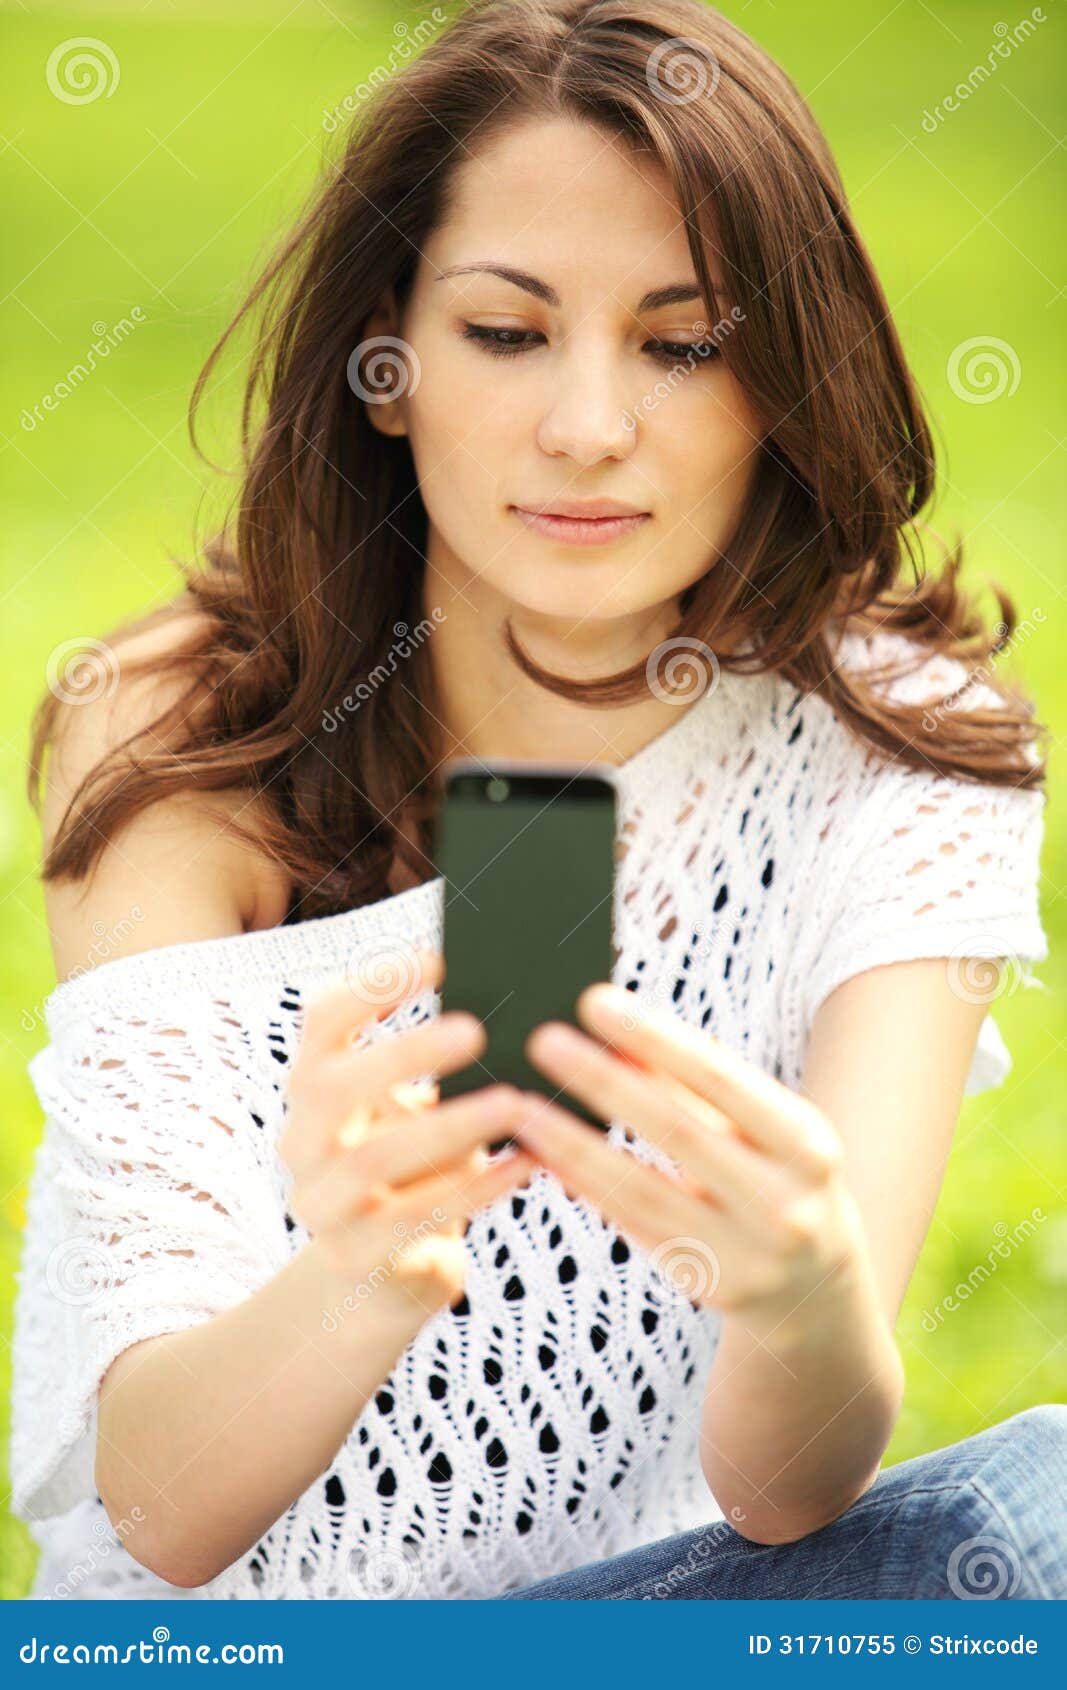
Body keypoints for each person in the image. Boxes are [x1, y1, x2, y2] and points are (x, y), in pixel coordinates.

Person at [10, 0, 1065, 1600]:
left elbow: (783, 1497)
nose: (587, 429)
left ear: (779, 377)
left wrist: (804, 1291)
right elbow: (157, 1511)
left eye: (683, 342)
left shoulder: (902, 750)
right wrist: (361, 1270)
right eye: (506, 333)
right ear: (388, 366)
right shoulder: (181, 731)